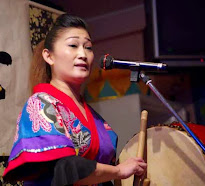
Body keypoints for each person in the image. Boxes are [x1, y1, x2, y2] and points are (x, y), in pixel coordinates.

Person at [2, 14, 147, 186]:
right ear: (49, 56)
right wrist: (119, 170)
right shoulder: (40, 104)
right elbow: (66, 169)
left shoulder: (93, 116)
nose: (83, 54)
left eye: (88, 47)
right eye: (73, 45)